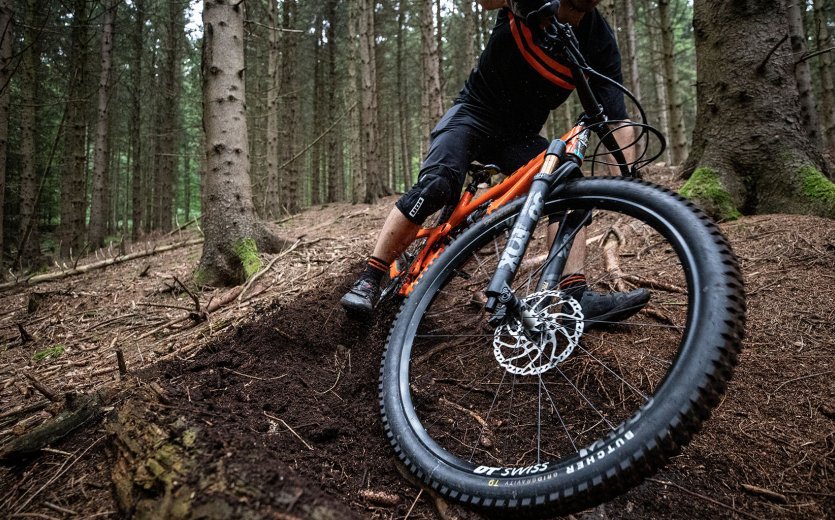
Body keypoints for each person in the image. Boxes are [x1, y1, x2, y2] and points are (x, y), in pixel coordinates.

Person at [341, 0, 649, 326]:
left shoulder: (598, 41)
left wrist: (627, 188)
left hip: (520, 137)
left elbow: (616, 122)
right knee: (438, 184)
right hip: (472, 115)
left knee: (566, 188)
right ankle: (370, 277)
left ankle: (573, 297)